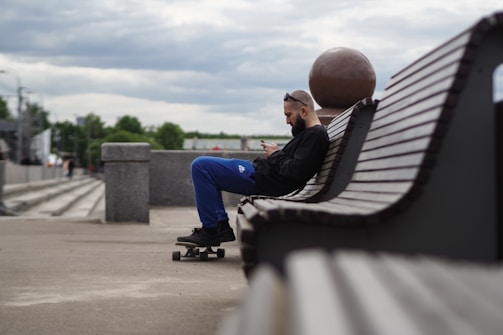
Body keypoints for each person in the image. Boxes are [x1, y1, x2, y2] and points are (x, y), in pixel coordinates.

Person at [177, 90, 330, 246]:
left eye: (288, 115)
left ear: (303, 111)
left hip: (261, 180)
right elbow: (294, 165)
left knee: (201, 166)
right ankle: (218, 226)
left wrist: (276, 154)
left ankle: (211, 230)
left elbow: (296, 171)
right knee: (205, 167)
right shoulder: (311, 134)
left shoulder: (316, 135)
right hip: (259, 174)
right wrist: (276, 154)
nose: (287, 121)